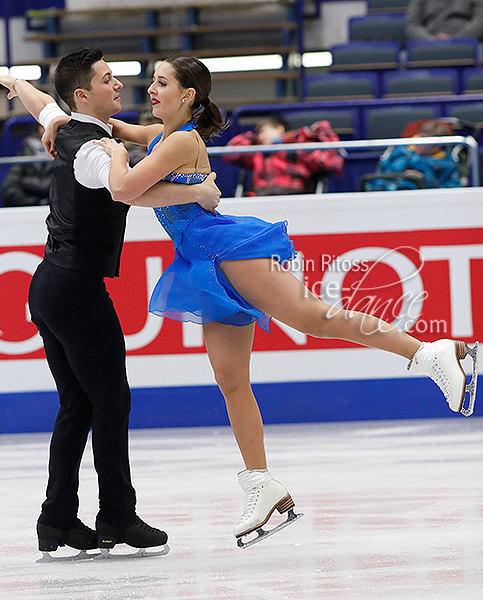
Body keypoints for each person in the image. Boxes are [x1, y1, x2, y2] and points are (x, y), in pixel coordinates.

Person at [86, 56, 477, 546]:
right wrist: (70, 117)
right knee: (231, 381)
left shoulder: (182, 140)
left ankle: (429, 353)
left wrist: (110, 151)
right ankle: (261, 483)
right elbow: (121, 128)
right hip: (203, 263)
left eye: (162, 83)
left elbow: (124, 188)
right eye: (153, 82)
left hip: (225, 249)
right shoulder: (164, 135)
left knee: (315, 316)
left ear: (187, 95)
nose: (152, 90)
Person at [0, 47, 220, 558]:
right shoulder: (93, 148)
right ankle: (116, 514)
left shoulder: (71, 125)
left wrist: (11, 81)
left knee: (77, 403)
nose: (119, 85)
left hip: (49, 284)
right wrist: (193, 192)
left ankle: (57, 520)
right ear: (84, 93)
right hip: (75, 289)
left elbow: (41, 105)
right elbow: (123, 190)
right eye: (108, 79)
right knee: (111, 400)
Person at [223, 116, 343, 196]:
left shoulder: (298, 147)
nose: (260, 136)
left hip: (294, 200)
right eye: (258, 134)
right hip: (261, 200)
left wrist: (323, 131)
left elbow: (331, 163)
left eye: (264, 131)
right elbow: (230, 154)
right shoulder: (257, 153)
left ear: (280, 129)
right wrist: (252, 137)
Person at [363, 119, 461, 191]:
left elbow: (451, 190)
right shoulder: (400, 153)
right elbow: (380, 179)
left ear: (437, 147)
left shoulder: (448, 164)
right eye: (420, 137)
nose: (418, 142)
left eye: (425, 140)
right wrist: (401, 176)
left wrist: (424, 179)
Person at [1, 124, 53, 206]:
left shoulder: (66, 152)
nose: (46, 130)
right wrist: (33, 202)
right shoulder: (25, 151)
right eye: (43, 126)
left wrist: (26, 183)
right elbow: (9, 190)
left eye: (50, 126)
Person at [405, 0, 483, 41]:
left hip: (465, 40)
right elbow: (413, 24)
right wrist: (429, 39)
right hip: (430, 41)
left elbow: (480, 20)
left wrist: (456, 38)